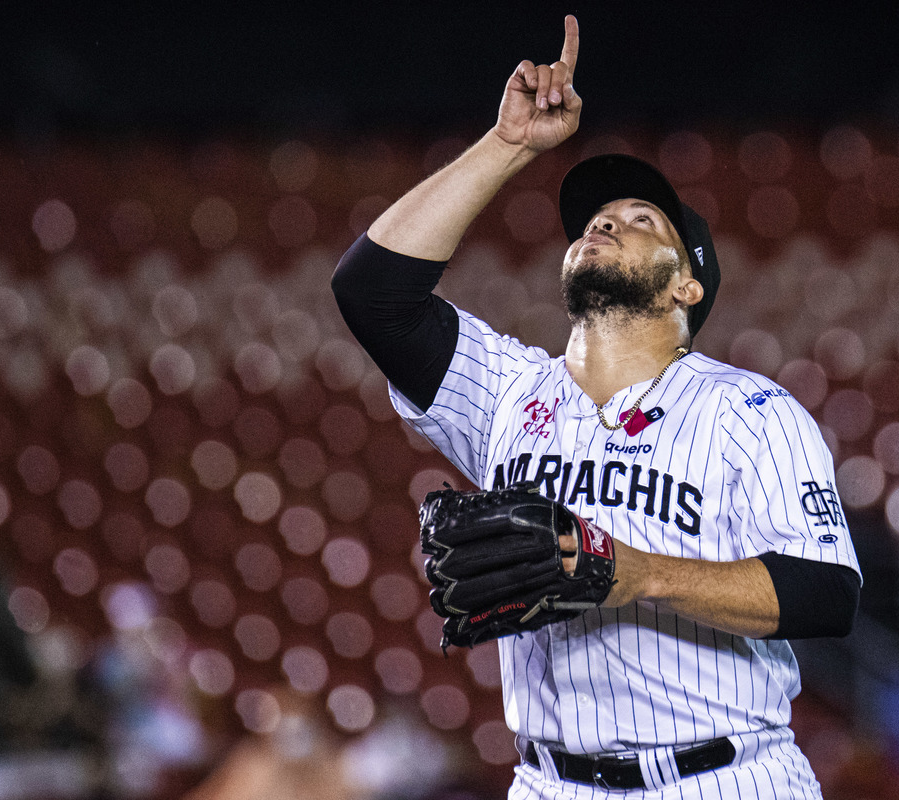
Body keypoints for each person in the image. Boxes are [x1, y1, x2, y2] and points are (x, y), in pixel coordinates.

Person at [332, 15, 861, 798]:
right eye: (594, 220)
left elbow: (827, 592)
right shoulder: (510, 391)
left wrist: (636, 573)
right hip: (550, 782)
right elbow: (371, 294)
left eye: (644, 222)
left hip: (721, 776)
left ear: (688, 286)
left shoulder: (749, 410)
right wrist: (508, 145)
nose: (608, 221)